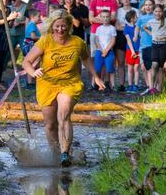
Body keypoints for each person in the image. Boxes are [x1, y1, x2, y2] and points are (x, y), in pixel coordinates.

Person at [22, 9, 105, 167]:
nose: (61, 30)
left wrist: (95, 76)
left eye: (64, 26)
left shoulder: (77, 42)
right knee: (50, 124)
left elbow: (86, 59)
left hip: (70, 83)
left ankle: (65, 153)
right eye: (57, 26)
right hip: (47, 84)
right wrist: (33, 72)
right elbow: (26, 62)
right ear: (52, 26)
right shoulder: (45, 41)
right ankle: (55, 153)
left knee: (64, 114)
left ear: (69, 26)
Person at [144, 4, 166, 93]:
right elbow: (144, 27)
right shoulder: (151, 21)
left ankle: (159, 88)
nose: (158, 13)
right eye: (156, 11)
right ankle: (151, 87)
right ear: (153, 12)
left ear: (162, 12)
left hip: (164, 45)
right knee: (154, 65)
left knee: (160, 67)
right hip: (155, 45)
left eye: (159, 11)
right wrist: (151, 33)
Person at [89, 0, 118, 87]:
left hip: (108, 35)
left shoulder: (113, 1)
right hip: (95, 33)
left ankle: (106, 82)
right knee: (95, 58)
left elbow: (113, 18)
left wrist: (100, 19)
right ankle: (95, 82)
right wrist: (105, 20)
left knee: (107, 59)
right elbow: (90, 18)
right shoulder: (94, 1)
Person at [116, 0, 139, 91]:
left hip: (135, 38)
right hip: (121, 37)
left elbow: (138, 25)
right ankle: (122, 84)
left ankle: (134, 84)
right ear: (121, 0)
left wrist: (125, 26)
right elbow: (117, 26)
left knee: (134, 64)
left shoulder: (136, 11)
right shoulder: (118, 11)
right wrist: (127, 28)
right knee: (121, 62)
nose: (125, 0)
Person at [94, 10, 117, 91]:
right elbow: (96, 40)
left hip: (109, 51)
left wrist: (106, 50)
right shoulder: (98, 28)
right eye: (103, 17)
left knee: (109, 68)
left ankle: (110, 84)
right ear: (100, 18)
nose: (105, 19)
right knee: (97, 68)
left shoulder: (112, 28)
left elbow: (113, 40)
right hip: (99, 51)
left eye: (107, 17)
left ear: (110, 17)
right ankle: (99, 83)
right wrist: (101, 50)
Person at [22, 9, 41, 89]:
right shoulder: (32, 25)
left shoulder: (32, 24)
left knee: (34, 63)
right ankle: (30, 83)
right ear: (33, 17)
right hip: (30, 45)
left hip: (30, 44)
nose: (40, 18)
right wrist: (41, 38)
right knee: (31, 63)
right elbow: (33, 36)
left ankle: (32, 81)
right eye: (38, 16)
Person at [124, 10, 140, 93]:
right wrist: (133, 51)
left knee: (136, 68)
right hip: (130, 51)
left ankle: (136, 85)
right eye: (136, 16)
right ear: (131, 19)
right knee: (130, 69)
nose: (137, 17)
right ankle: (130, 85)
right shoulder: (126, 28)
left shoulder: (138, 26)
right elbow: (128, 40)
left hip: (138, 50)